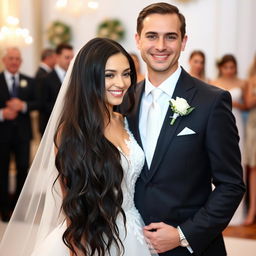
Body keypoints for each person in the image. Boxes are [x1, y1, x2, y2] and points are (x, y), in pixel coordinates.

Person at [0, 38, 156, 256]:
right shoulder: (72, 132)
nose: (121, 83)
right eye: (109, 75)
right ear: (89, 77)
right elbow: (73, 207)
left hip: (133, 229)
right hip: (93, 235)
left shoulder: (124, 119)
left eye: (126, 73)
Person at [120, 3, 245, 255]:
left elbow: (231, 185)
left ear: (183, 41)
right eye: (152, 36)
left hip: (190, 249)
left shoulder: (212, 101)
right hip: (130, 244)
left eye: (171, 37)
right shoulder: (124, 101)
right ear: (138, 40)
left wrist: (183, 235)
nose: (161, 46)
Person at [0, 47, 39, 222]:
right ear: (4, 61)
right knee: (2, 171)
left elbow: (38, 102)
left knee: (23, 169)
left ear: (21, 62)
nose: (14, 61)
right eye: (11, 58)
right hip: (2, 134)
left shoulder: (29, 81)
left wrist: (23, 105)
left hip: (23, 135)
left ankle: (19, 208)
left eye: (17, 59)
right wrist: (2, 113)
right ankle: (4, 208)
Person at [39, 43, 74, 135]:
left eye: (72, 58)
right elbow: (43, 104)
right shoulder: (46, 78)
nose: (70, 61)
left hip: (71, 128)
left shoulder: (75, 77)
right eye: (67, 57)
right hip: (50, 127)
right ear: (57, 57)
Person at [244, 55, 256, 225]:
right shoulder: (251, 79)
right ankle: (252, 211)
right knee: (253, 169)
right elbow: (248, 102)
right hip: (254, 125)